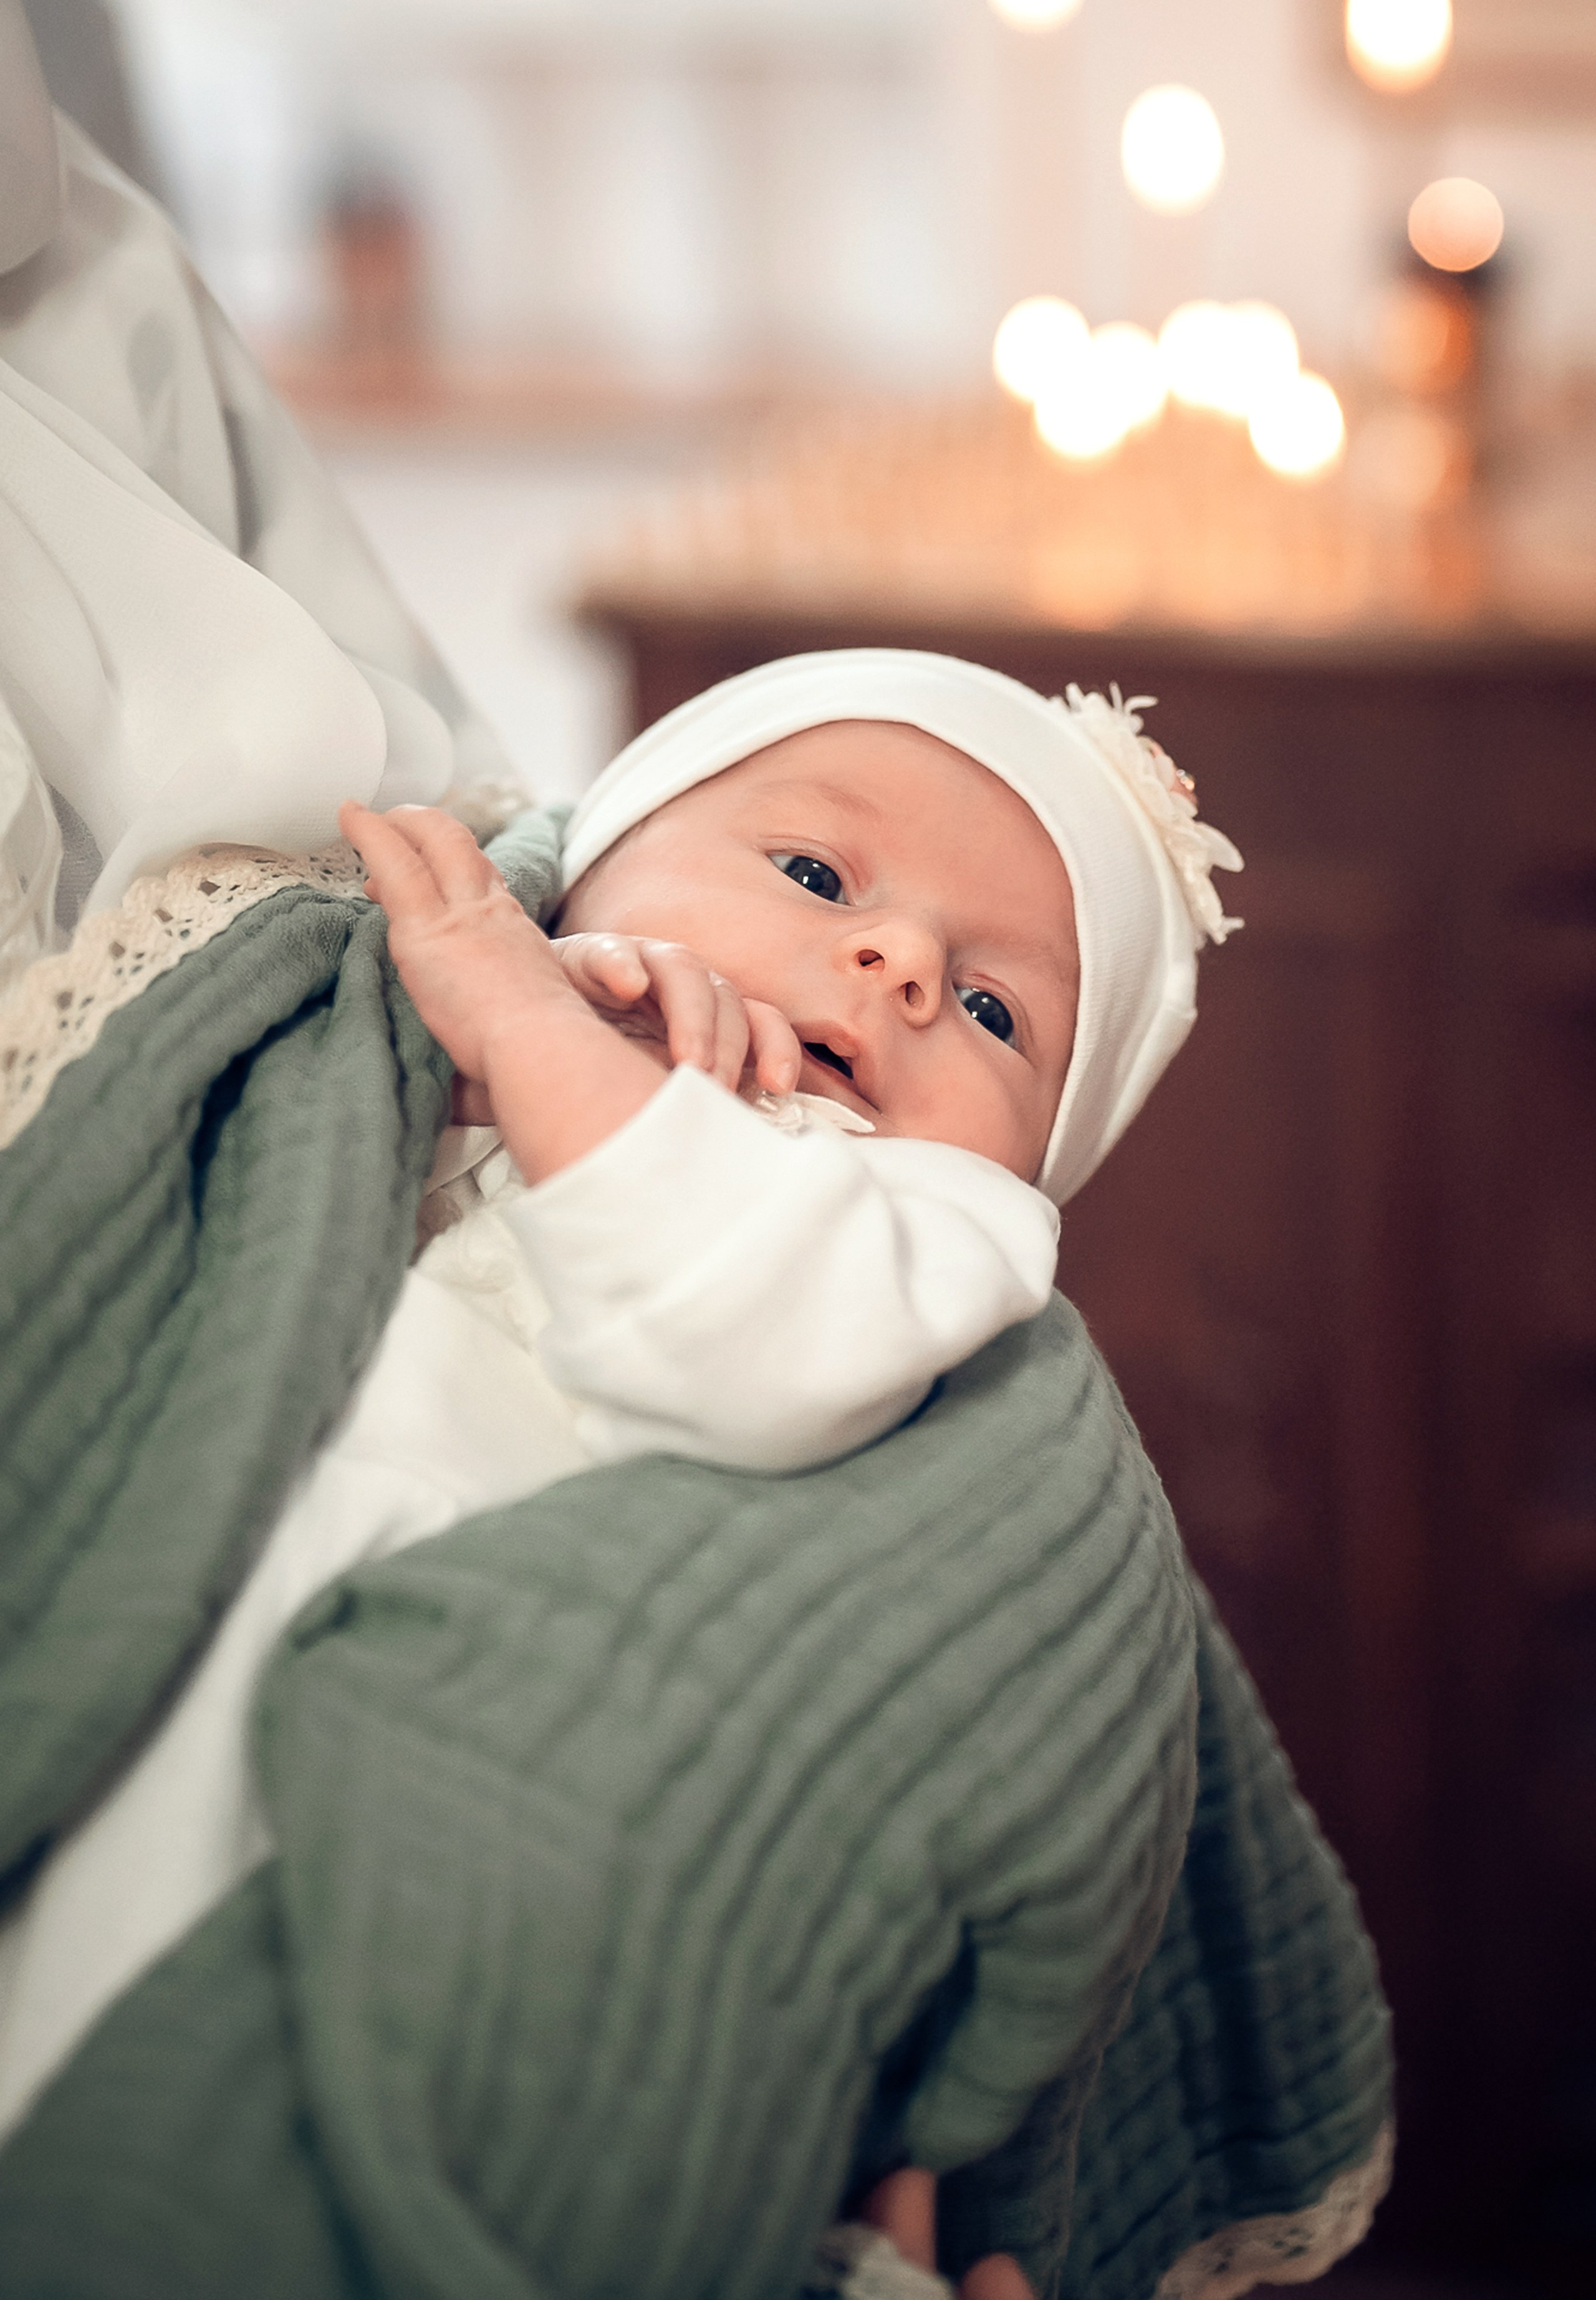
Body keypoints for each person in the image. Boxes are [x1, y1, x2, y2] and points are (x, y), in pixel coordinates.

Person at [0, 652, 1239, 2300]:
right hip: (240, 1554)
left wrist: (521, 1024)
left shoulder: (920, 1221)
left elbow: (759, 1338)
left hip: (532, 1732)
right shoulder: (459, 1011)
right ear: (597, 859)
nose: (903, 963)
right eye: (814, 875)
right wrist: (494, 1018)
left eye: (1002, 1012)